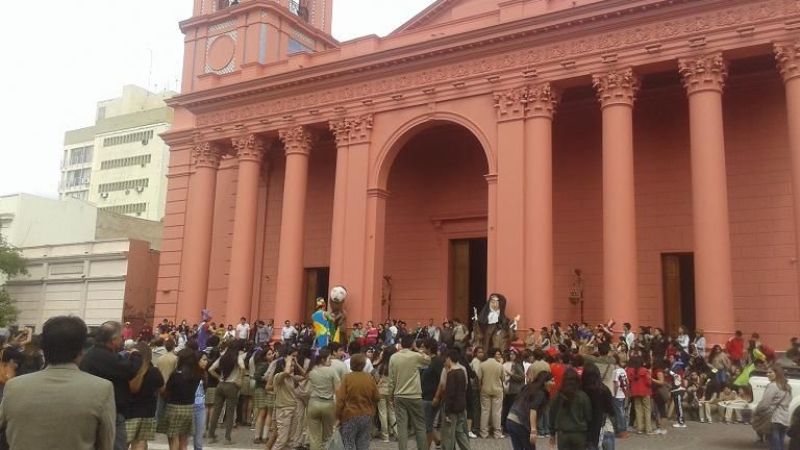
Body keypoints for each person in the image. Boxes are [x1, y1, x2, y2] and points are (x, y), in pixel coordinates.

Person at [0, 316, 116, 450]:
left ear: (44, 348)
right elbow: (106, 444)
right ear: (81, 350)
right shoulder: (102, 388)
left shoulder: (14, 387)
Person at [80, 320, 142, 450]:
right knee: (117, 445)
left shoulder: (92, 354)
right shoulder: (104, 356)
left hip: (95, 406)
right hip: (109, 410)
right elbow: (129, 370)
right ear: (113, 339)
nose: (122, 340)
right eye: (121, 337)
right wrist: (136, 355)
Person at [389, 334, 431, 450]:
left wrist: (390, 395)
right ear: (412, 344)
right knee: (420, 426)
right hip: (414, 395)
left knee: (402, 427)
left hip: (399, 394)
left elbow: (391, 379)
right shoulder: (416, 356)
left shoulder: (394, 357)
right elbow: (428, 360)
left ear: (401, 344)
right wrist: (418, 350)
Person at [160, 349, 204, 450]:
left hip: (174, 408)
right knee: (184, 441)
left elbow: (167, 391)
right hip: (189, 408)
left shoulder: (175, 376)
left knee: (173, 439)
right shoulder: (197, 376)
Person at [336, 354, 379, 450]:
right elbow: (377, 397)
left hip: (350, 415)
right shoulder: (369, 378)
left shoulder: (347, 378)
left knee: (349, 443)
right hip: (367, 415)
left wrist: (338, 415)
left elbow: (341, 399)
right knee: (363, 444)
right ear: (363, 364)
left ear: (351, 364)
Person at [127, 342, 165, 450]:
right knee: (141, 441)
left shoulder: (130, 370)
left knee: (124, 442)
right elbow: (162, 389)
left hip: (130, 412)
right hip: (148, 412)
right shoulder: (155, 371)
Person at [207, 340, 246, 445]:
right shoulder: (237, 357)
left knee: (216, 411)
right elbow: (242, 368)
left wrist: (219, 377)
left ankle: (211, 435)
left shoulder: (223, 357)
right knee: (230, 413)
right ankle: (227, 438)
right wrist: (239, 379)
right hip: (232, 386)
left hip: (220, 385)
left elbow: (211, 369)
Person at [506, 371, 552, 450]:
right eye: (552, 380)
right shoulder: (541, 393)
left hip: (511, 419)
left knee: (518, 448)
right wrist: (533, 431)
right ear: (545, 382)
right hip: (520, 422)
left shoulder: (528, 387)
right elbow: (533, 410)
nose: (553, 383)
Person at [548, 368, 592, 450]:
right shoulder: (583, 396)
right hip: (579, 434)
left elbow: (552, 415)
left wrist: (552, 433)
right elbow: (588, 416)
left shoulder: (558, 396)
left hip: (563, 433)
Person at [306, 349, 340, 450]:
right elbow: (338, 390)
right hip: (328, 404)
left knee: (314, 437)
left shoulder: (311, 371)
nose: (331, 361)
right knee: (328, 436)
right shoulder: (332, 371)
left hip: (313, 403)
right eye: (329, 358)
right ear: (322, 359)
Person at [437, 348, 471, 450]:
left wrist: (447, 412)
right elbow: (464, 387)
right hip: (461, 406)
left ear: (449, 359)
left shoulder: (451, 374)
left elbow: (450, 394)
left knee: (448, 436)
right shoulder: (462, 370)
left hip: (452, 409)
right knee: (460, 432)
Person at [756, 365, 793, 450]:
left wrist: (757, 411)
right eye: (767, 372)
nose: (767, 374)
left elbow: (765, 403)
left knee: (774, 445)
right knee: (780, 443)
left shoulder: (773, 386)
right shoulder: (787, 386)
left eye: (770, 372)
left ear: (777, 373)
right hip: (784, 417)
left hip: (774, 417)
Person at [581, 362, 616, 450]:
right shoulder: (603, 389)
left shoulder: (580, 389)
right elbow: (611, 409)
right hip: (600, 423)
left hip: (583, 425)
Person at [478, 347, 506, 439]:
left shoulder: (482, 365)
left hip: (485, 389)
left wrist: (480, 388)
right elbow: (503, 379)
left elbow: (479, 379)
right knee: (497, 412)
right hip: (497, 390)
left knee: (485, 411)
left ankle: (484, 433)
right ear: (495, 354)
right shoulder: (499, 365)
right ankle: (497, 433)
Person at [373, 347, 397, 442]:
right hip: (391, 391)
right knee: (392, 412)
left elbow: (377, 378)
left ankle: (385, 436)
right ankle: (396, 433)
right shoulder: (394, 366)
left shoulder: (381, 366)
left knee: (382, 413)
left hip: (381, 391)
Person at [625, 356, 652, 435]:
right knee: (647, 410)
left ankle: (639, 428)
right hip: (645, 392)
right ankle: (648, 429)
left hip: (635, 392)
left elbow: (628, 381)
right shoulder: (645, 371)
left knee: (638, 410)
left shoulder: (629, 370)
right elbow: (649, 382)